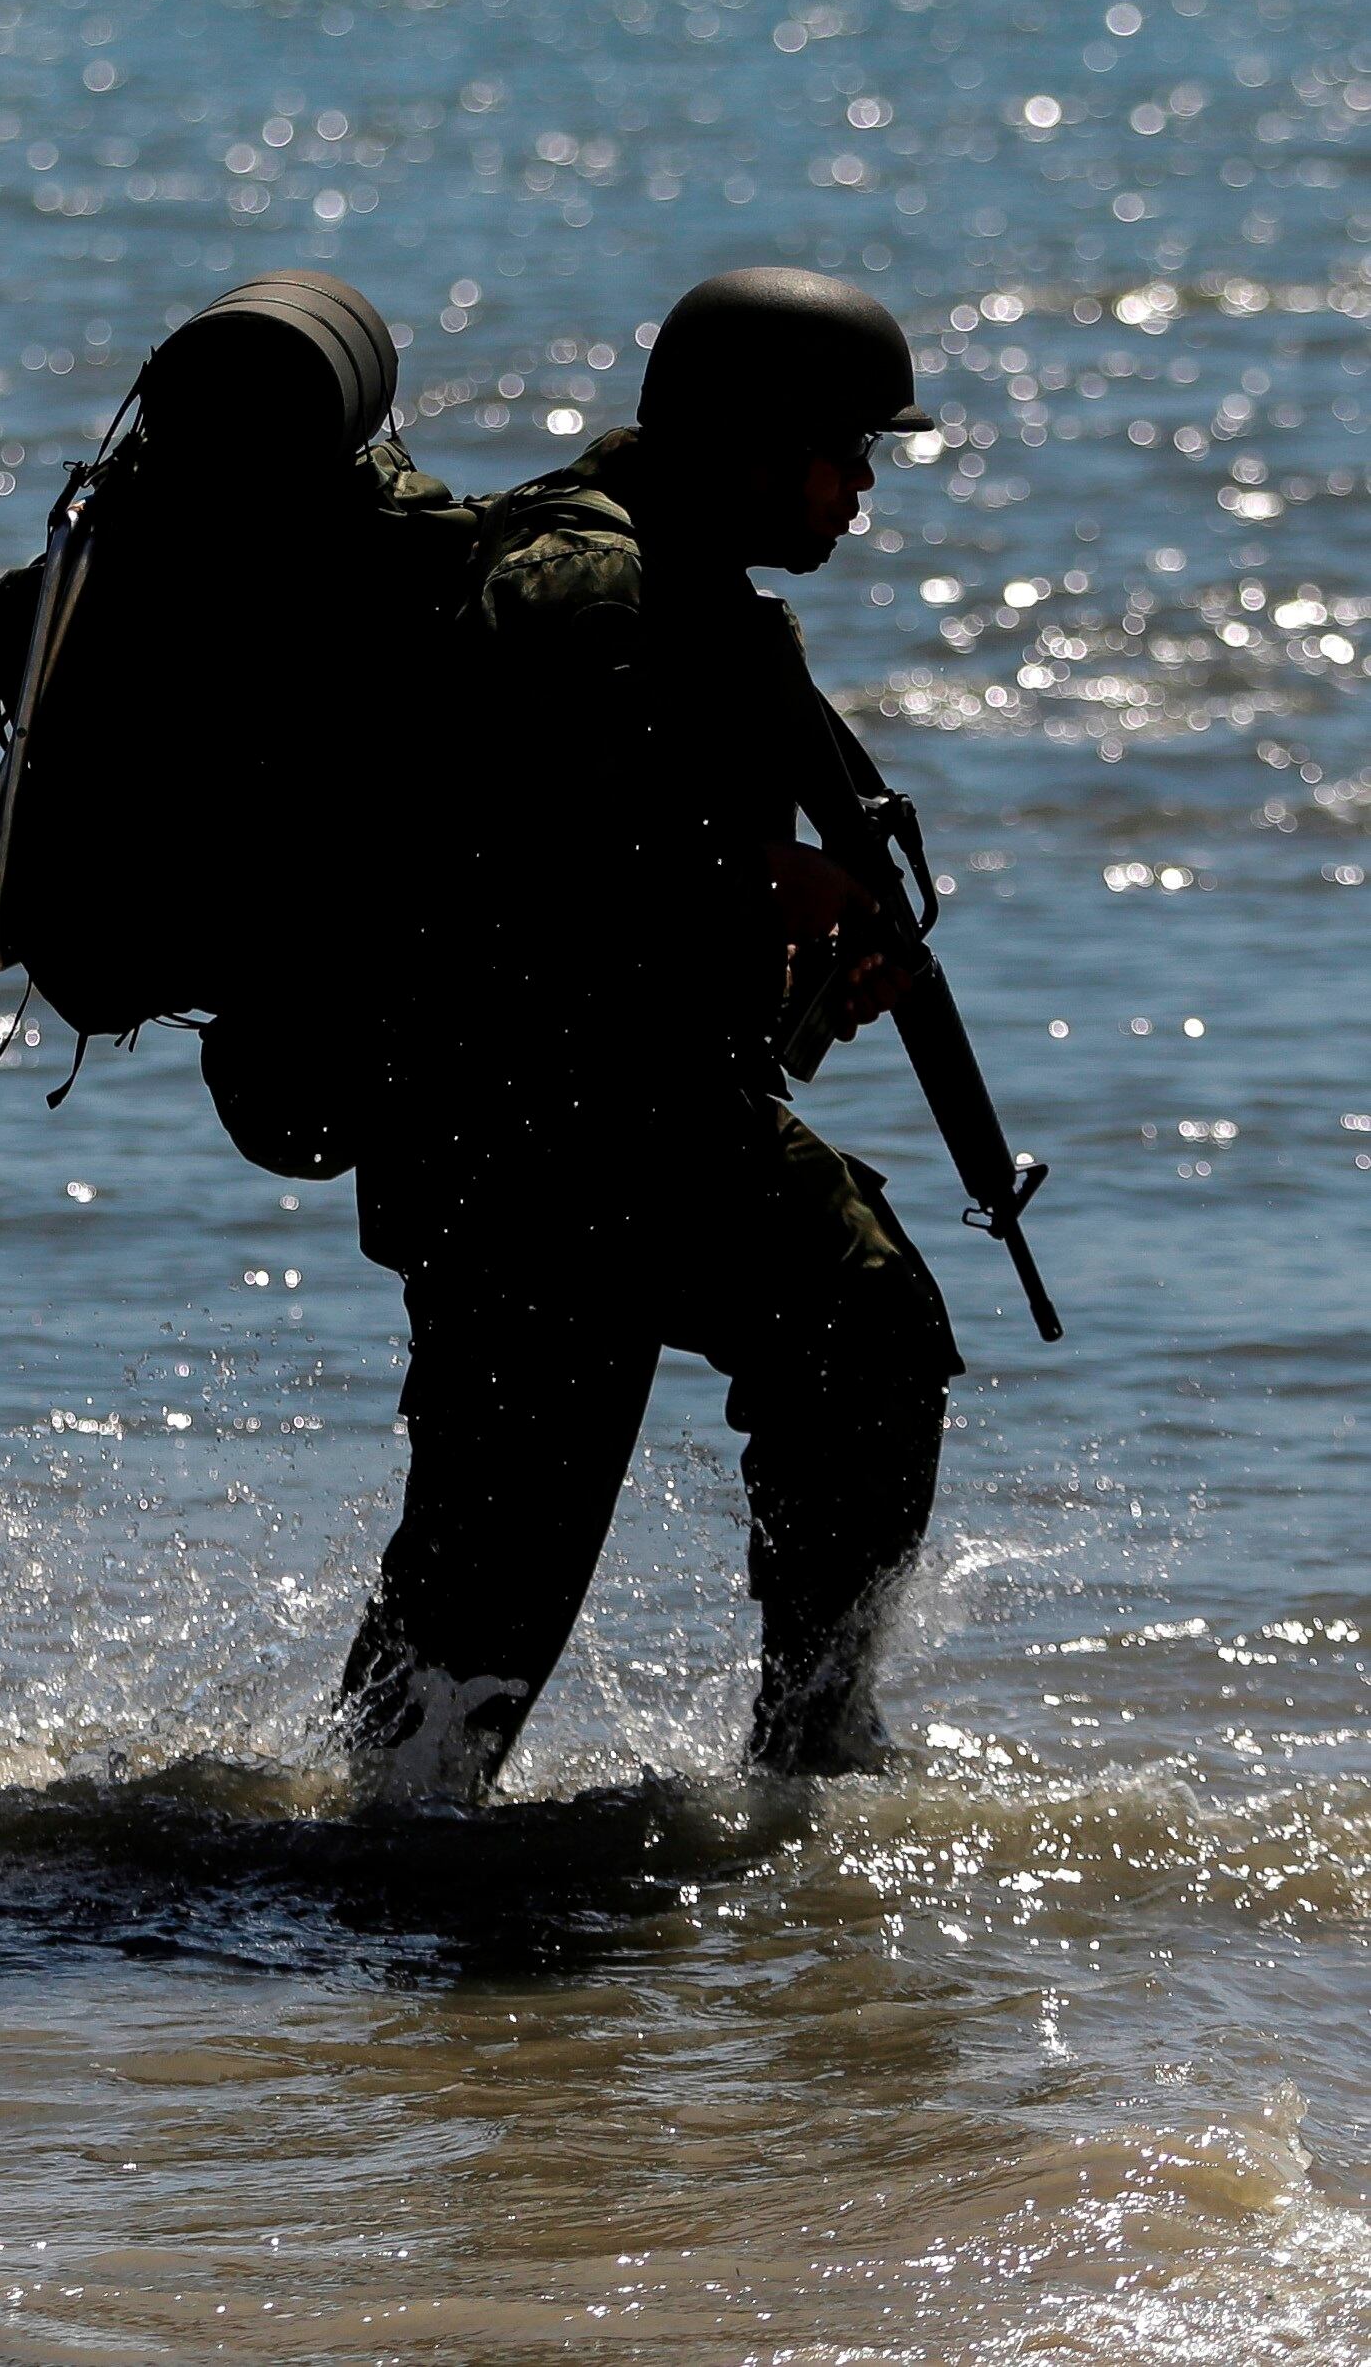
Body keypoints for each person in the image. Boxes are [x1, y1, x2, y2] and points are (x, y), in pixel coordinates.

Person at [339, 266, 966, 1798]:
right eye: (844, 449)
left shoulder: (701, 598)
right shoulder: (579, 575)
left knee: (867, 1330)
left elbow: (640, 868)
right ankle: (350, 1873)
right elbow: (510, 827)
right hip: (530, 1156)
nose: (864, 487)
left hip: (645, 1125)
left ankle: (809, 1763)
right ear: (751, 443)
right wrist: (765, 877)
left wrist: (800, 954)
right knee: (473, 1638)